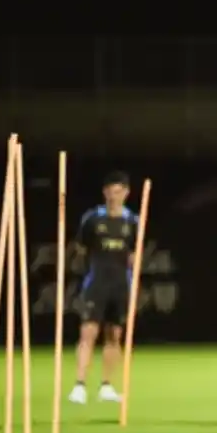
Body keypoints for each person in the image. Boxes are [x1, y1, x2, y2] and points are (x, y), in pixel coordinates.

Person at [68, 171, 139, 405]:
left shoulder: (133, 221)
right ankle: (79, 386)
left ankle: (106, 386)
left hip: (120, 285)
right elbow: (80, 249)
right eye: (110, 191)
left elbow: (133, 254)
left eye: (118, 191)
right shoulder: (93, 219)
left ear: (126, 193)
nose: (113, 195)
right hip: (96, 282)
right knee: (88, 333)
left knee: (114, 336)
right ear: (104, 192)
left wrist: (133, 264)